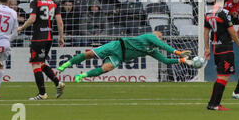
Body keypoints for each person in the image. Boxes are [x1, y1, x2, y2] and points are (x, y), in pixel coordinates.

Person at [58, 31, 193, 82]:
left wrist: (181, 60)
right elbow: (163, 46)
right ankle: (66, 64)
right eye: (159, 37)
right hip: (117, 46)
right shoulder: (150, 37)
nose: (159, 39)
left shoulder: (151, 51)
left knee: (106, 68)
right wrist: (178, 52)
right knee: (89, 54)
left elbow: (165, 60)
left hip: (120, 57)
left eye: (160, 38)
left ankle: (81, 76)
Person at [17, 0, 65, 100]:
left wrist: (22, 27)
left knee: (35, 64)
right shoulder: (53, 2)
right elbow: (59, 22)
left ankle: (42, 93)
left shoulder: (35, 1)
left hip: (38, 37)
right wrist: (61, 37)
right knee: (41, 63)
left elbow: (32, 19)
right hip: (49, 37)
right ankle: (58, 83)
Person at [204, 0, 239, 110]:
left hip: (216, 48)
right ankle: (214, 104)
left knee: (221, 76)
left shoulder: (208, 13)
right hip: (225, 48)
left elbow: (206, 33)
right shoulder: (224, 13)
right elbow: (232, 32)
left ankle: (213, 103)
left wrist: (207, 48)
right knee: (223, 76)